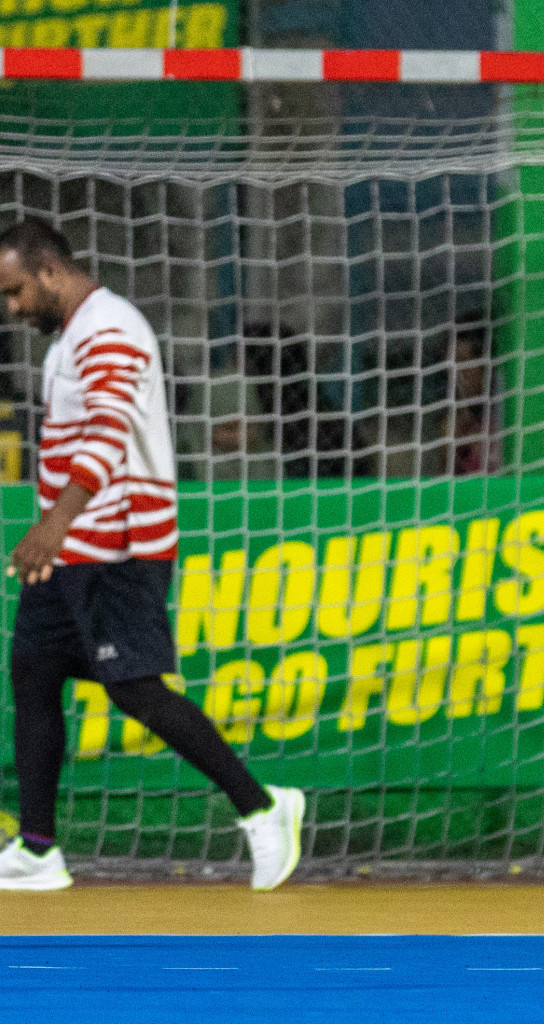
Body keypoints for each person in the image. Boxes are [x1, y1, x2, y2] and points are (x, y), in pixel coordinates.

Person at [0, 219, 305, 892]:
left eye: (17, 291)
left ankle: (263, 808)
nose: (13, 309)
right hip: (73, 547)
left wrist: (55, 523)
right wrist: (56, 534)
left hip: (119, 545)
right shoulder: (67, 342)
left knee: (135, 688)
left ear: (50, 270)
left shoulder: (110, 327)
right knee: (32, 670)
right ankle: (38, 848)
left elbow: (109, 430)